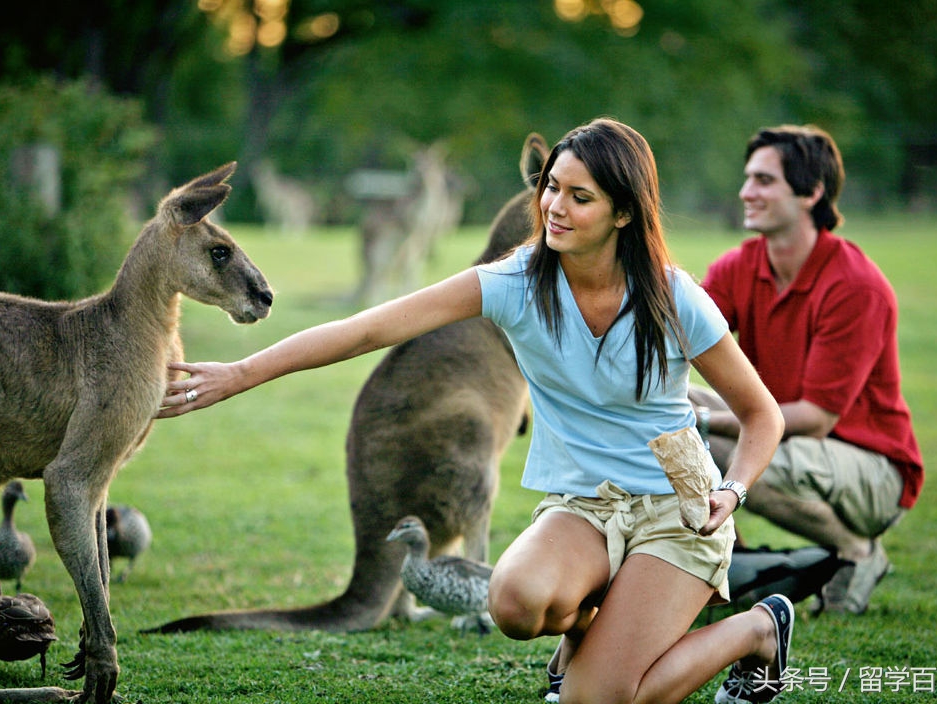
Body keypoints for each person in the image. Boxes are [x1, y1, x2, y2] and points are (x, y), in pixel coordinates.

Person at [159, 118, 789, 704]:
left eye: (580, 197)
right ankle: (599, 629)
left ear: (624, 212)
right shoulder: (517, 282)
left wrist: (732, 490)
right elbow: (365, 330)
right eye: (551, 189)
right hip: (586, 506)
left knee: (594, 700)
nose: (553, 207)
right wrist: (241, 372)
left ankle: (759, 630)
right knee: (512, 603)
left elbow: (762, 416)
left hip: (676, 509)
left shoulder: (675, 298)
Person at [690, 124, 924, 616]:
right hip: (794, 439)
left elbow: (816, 418)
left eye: (764, 180)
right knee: (672, 411)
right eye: (747, 178)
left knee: (722, 441)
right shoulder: (739, 266)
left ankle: (856, 551)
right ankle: (725, 565)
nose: (745, 192)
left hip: (873, 468)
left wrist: (705, 421)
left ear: (812, 192)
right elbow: (681, 341)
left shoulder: (855, 286)